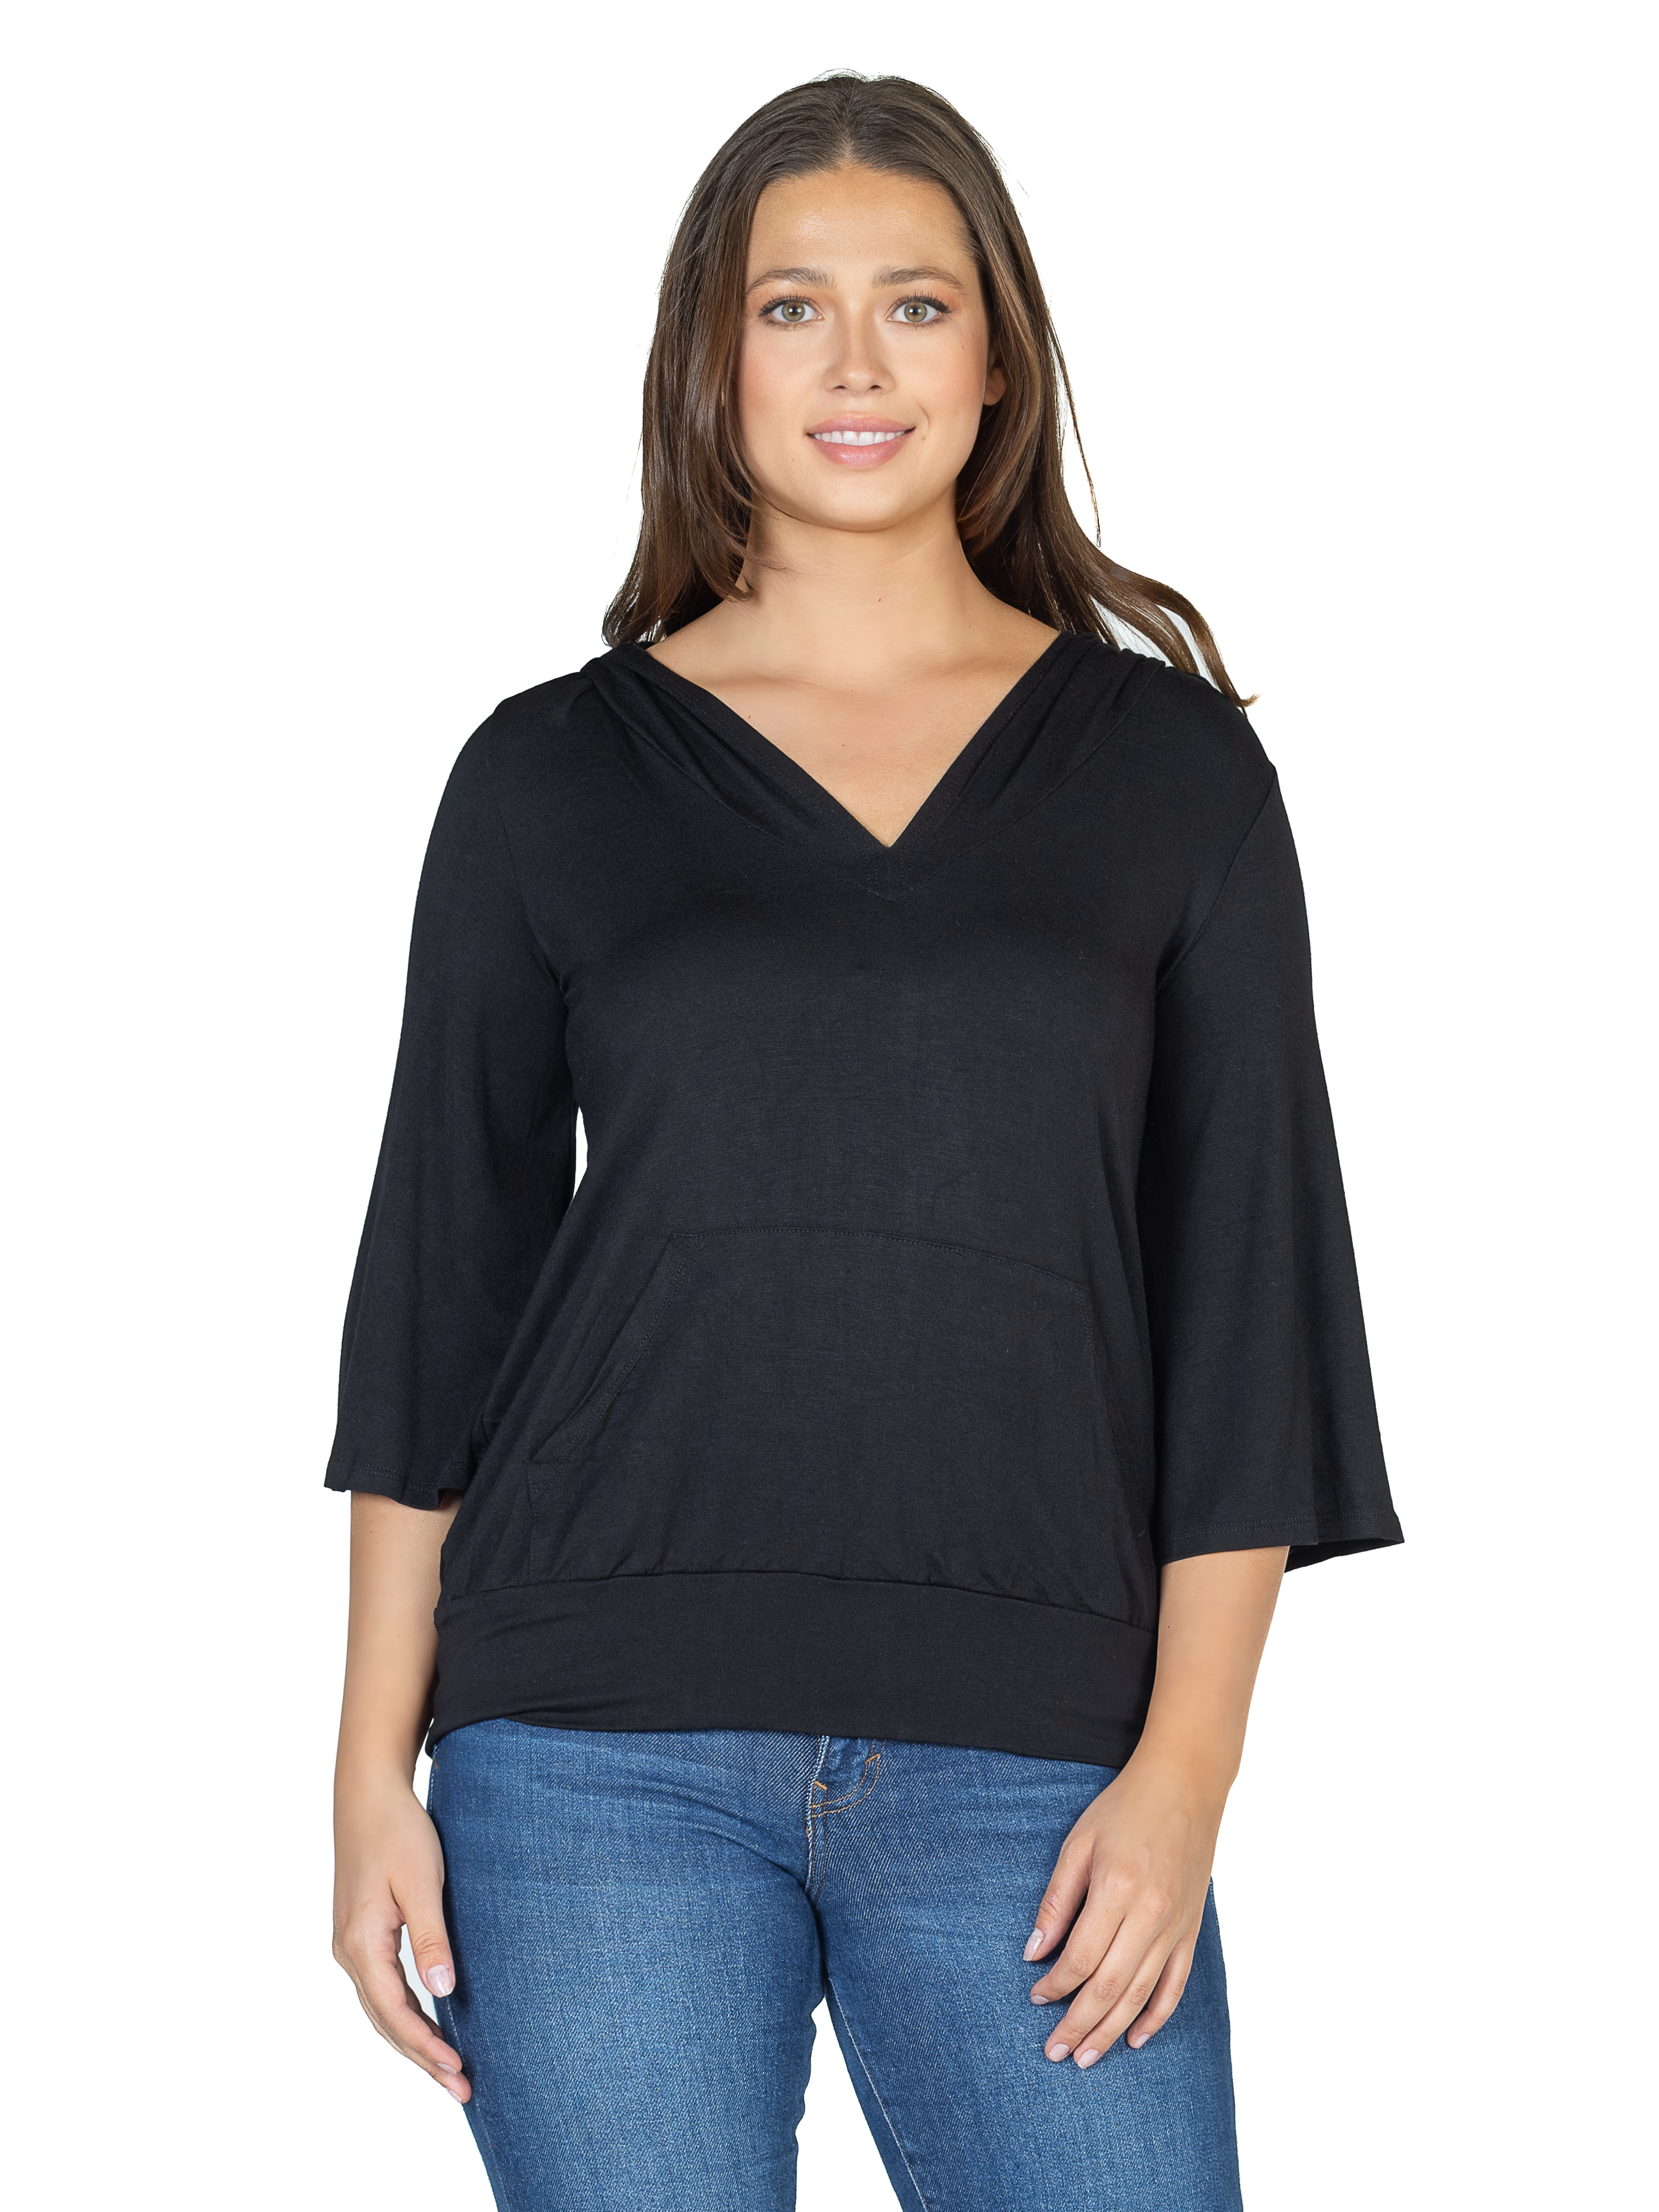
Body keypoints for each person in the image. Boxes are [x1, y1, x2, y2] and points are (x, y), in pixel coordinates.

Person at [327, 71, 1402, 2212]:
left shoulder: (1172, 776)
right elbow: (442, 1292)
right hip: (592, 1744)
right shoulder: (549, 776)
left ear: (999, 358)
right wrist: (369, 1771)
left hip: (1040, 1751)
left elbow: (1250, 1297)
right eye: (789, 307)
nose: (855, 365)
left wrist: (1188, 1772)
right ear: (711, 362)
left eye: (916, 305)